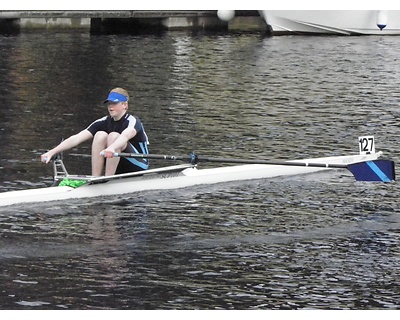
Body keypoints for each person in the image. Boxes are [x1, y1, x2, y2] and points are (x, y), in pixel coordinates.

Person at [40, 87, 149, 176]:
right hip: (116, 161)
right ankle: (95, 178)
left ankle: (108, 180)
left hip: (138, 164)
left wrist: (111, 147)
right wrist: (52, 152)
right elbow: (77, 138)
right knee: (100, 135)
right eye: (109, 103)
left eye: (114, 103)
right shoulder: (104, 121)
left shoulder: (133, 121)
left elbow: (125, 135)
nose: (110, 107)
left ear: (125, 105)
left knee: (114, 136)